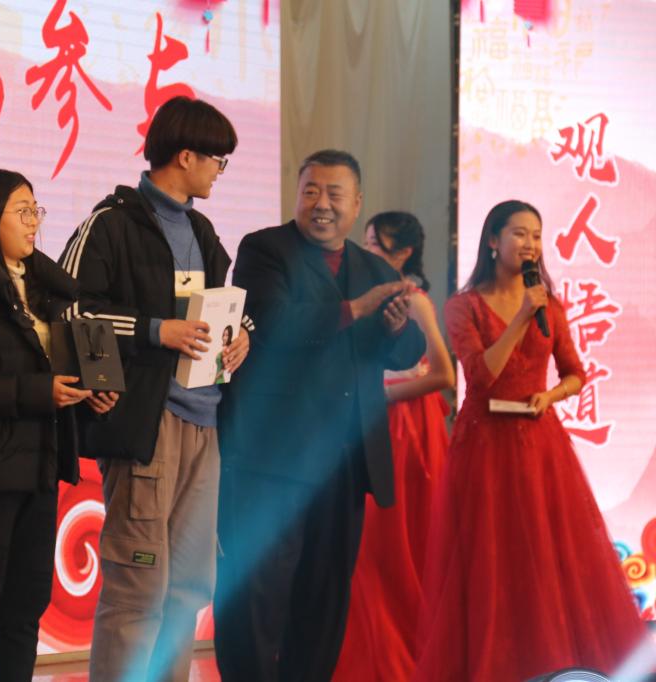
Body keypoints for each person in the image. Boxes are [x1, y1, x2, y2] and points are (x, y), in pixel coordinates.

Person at [412, 200, 650, 680]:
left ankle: (556, 664)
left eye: (537, 236)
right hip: (485, 448)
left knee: (548, 558)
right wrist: (522, 316)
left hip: (540, 446)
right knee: (492, 560)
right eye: (519, 234)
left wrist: (550, 396)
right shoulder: (463, 306)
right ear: (492, 240)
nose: (530, 245)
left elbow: (575, 373)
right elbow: (482, 377)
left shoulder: (549, 306)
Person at [214, 149, 425, 682]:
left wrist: (396, 326)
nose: (321, 204)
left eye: (335, 194)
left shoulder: (375, 268)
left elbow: (408, 352)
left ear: (357, 203)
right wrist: (356, 309)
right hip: (272, 462)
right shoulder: (265, 249)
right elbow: (272, 323)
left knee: (325, 598)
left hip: (344, 465)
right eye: (311, 191)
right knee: (256, 597)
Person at [59, 95, 250, 681]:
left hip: (205, 421)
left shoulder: (202, 229)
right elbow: (71, 311)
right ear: (185, 156)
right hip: (148, 423)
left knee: (188, 587)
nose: (220, 171)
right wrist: (153, 330)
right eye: (217, 159)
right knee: (137, 586)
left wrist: (242, 334)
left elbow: (223, 306)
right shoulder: (112, 222)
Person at [0, 168, 117, 681]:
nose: (34, 222)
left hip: (38, 469)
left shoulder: (49, 293)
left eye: (37, 210)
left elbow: (61, 369)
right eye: (22, 211)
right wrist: (40, 392)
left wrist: (88, 394)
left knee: (24, 610)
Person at [333, 211, 454, 681]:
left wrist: (382, 394)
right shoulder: (360, 299)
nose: (366, 253)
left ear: (403, 254)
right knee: (362, 545)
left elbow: (443, 375)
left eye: (377, 246)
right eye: (365, 242)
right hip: (370, 423)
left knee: (392, 543)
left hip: (406, 430)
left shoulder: (414, 300)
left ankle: (397, 649)